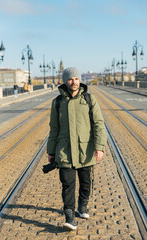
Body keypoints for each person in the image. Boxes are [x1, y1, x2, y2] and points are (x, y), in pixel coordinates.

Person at [47, 67, 107, 231]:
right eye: (70, 79)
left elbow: (99, 125)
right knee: (67, 185)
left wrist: (99, 147)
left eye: (76, 78)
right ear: (65, 81)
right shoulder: (58, 102)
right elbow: (54, 128)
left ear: (79, 80)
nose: (73, 82)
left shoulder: (89, 99)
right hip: (64, 150)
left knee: (86, 183)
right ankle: (70, 217)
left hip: (85, 150)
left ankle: (82, 206)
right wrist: (51, 151)